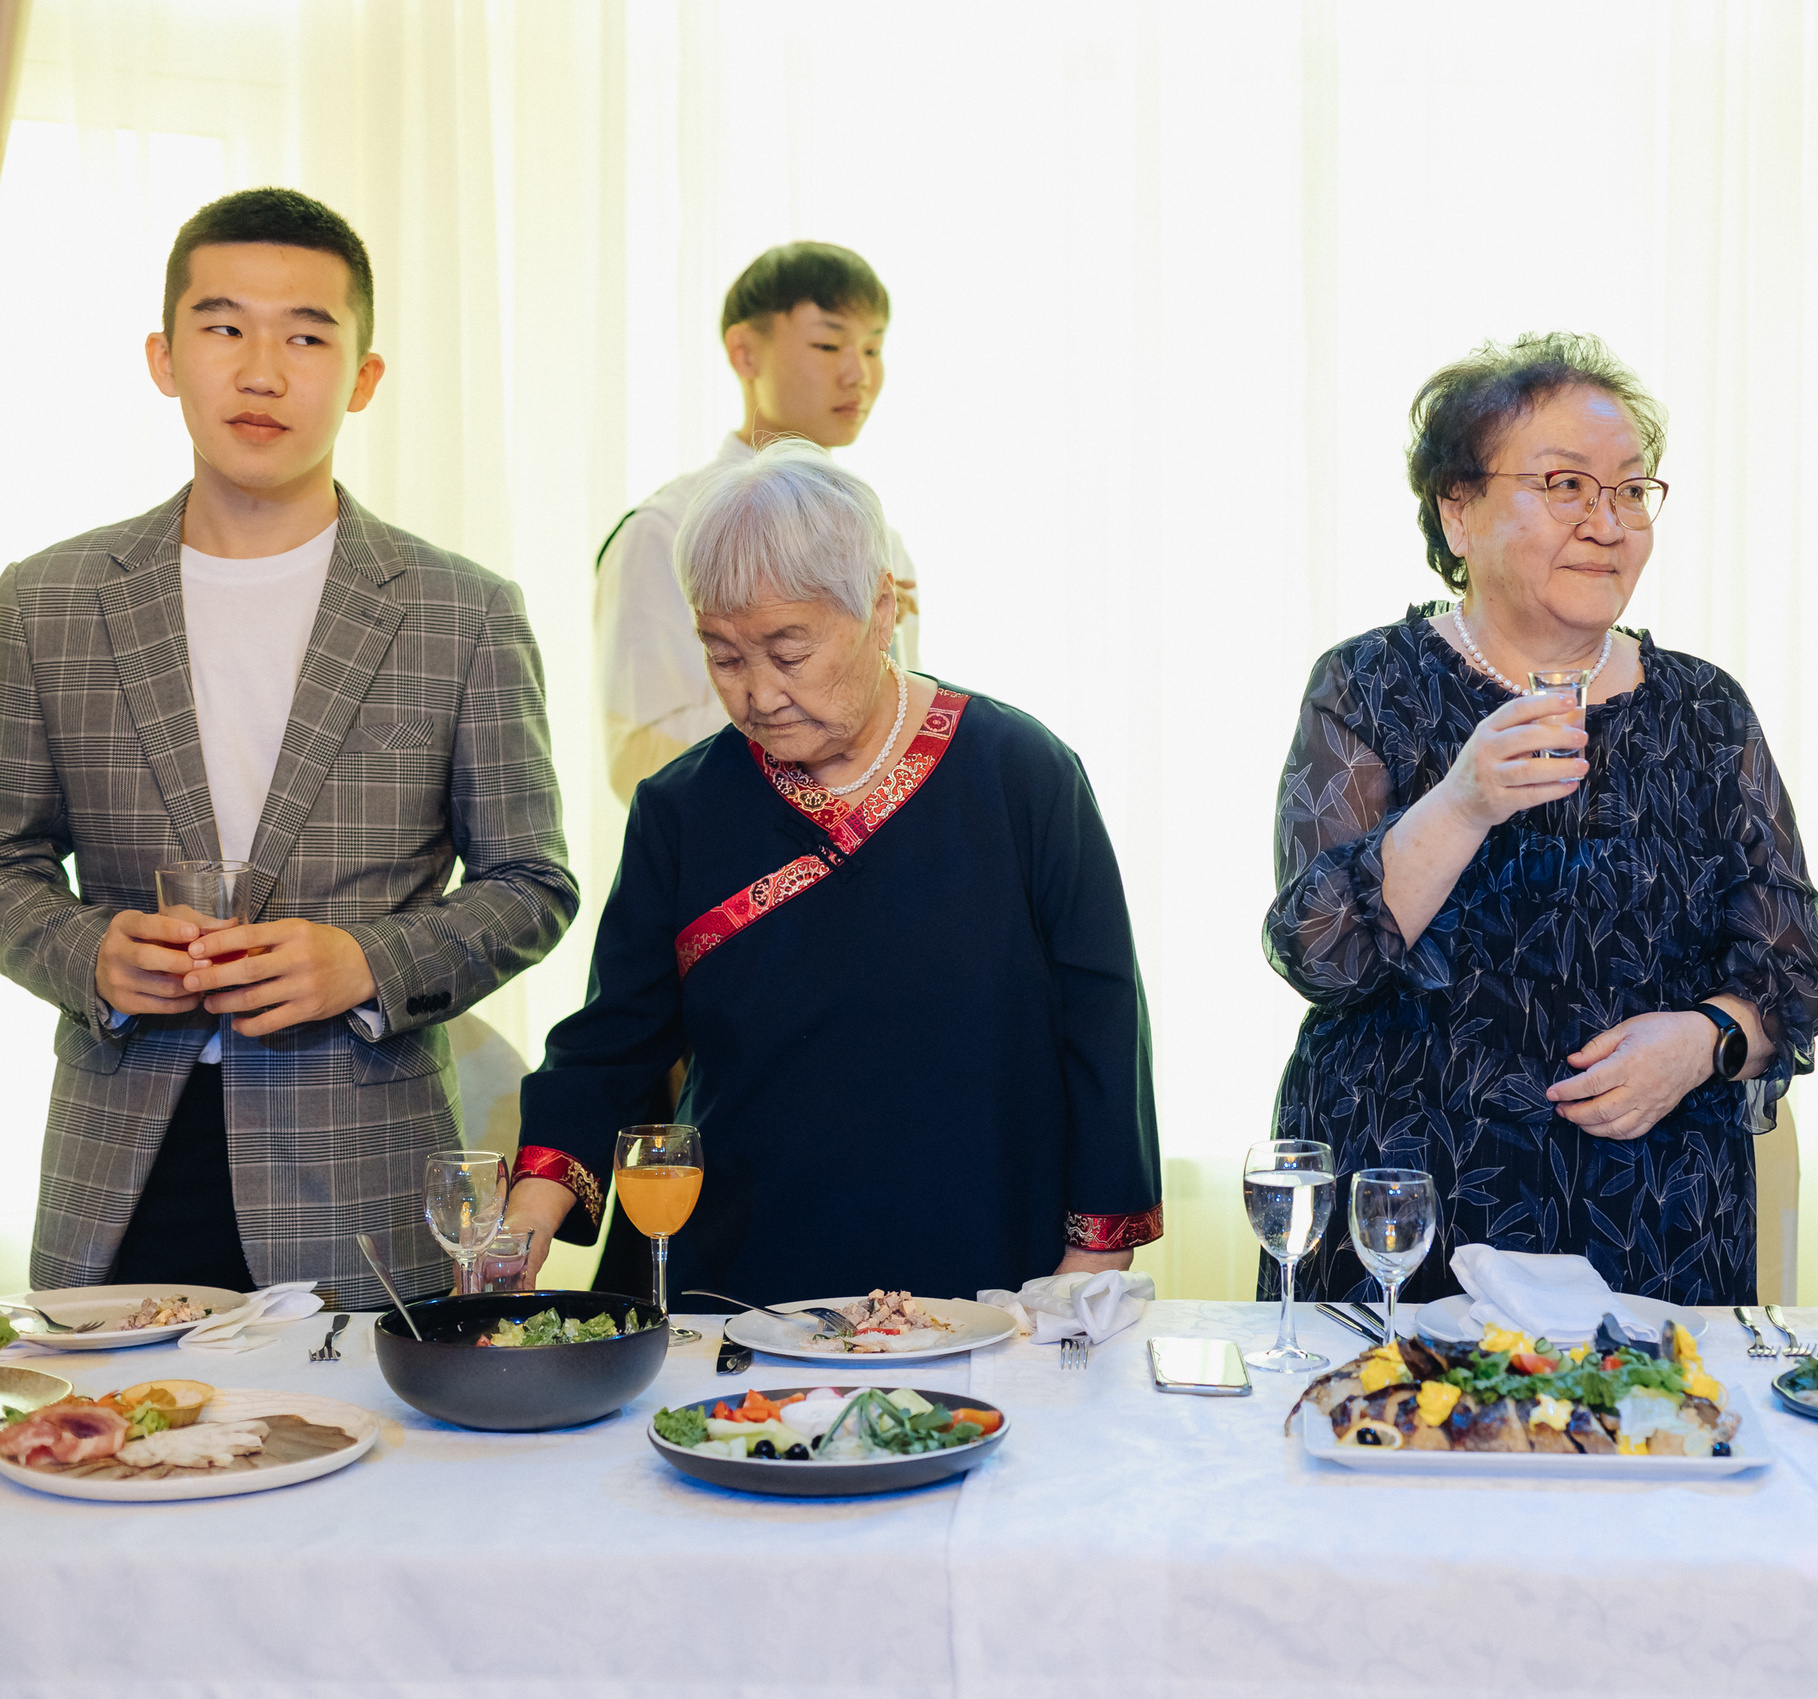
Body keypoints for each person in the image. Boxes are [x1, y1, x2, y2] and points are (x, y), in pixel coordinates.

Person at [0, 188, 578, 1301]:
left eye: (306, 336)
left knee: (372, 1466)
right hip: (121, 1165)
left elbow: (531, 882)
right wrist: (93, 957)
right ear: (166, 358)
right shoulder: (44, 604)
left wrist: (369, 964)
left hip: (361, 1170)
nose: (262, 369)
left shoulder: (462, 611)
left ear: (362, 378)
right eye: (224, 329)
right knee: (113, 1458)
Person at [506, 441, 1160, 1303]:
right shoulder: (682, 809)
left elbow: (1104, 1021)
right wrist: (522, 1226)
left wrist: (1090, 1265)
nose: (758, 694)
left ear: (881, 609)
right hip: (748, 1288)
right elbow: (610, 1045)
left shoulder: (1021, 775)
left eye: (789, 649)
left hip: (988, 1275)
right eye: (724, 656)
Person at [1265, 333, 1818, 1310]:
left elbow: (1794, 974)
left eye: (1628, 491)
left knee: (1651, 1446)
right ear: (1458, 510)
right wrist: (1461, 801)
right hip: (1412, 1209)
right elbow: (1319, 951)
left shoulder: (1704, 709)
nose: (1604, 523)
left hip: (1654, 1212)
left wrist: (1704, 1038)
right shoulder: (1369, 684)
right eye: (1564, 485)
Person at [595, 241, 921, 803]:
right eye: (828, 343)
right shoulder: (662, 531)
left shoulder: (879, 538)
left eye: (873, 348)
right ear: (745, 353)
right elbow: (638, 762)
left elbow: (902, 739)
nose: (858, 373)